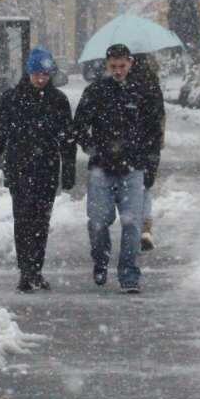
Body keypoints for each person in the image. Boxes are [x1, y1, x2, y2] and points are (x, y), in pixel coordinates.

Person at [0, 46, 75, 292]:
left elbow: (67, 138)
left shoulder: (58, 100)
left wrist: (68, 170)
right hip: (19, 167)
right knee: (23, 220)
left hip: (47, 168)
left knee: (41, 221)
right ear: (28, 73)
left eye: (45, 74)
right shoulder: (12, 98)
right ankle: (26, 270)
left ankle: (36, 269)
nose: (41, 79)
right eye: (36, 74)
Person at [73, 43, 163, 293]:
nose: (118, 71)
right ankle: (100, 260)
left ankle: (129, 274)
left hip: (133, 168)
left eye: (122, 66)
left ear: (131, 64)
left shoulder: (141, 93)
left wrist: (148, 162)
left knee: (132, 224)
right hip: (101, 168)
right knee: (98, 223)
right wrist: (91, 147)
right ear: (106, 65)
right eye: (113, 66)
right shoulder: (96, 91)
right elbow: (79, 125)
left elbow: (154, 131)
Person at [128, 53, 166, 252]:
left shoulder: (126, 86)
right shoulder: (153, 85)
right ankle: (146, 229)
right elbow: (160, 115)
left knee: (130, 185)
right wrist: (159, 141)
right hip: (150, 145)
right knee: (146, 187)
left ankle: (134, 226)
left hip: (130, 144)